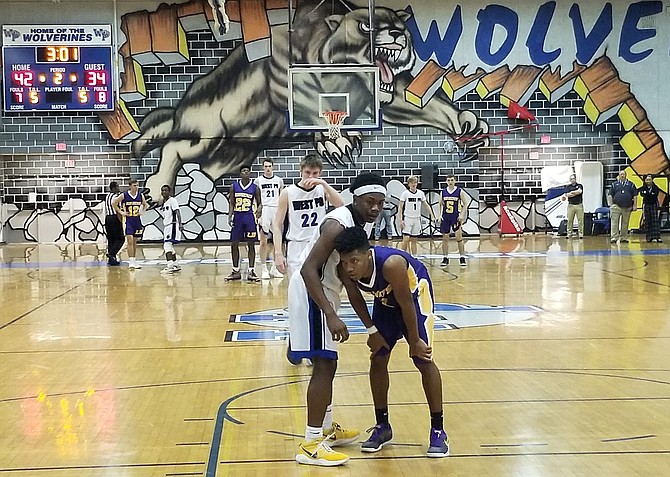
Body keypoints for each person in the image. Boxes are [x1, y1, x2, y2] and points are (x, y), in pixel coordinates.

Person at [290, 172, 386, 467]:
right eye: (370, 202)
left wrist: (370, 327)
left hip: (325, 292)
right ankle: (310, 444)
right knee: (325, 363)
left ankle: (327, 429)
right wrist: (330, 314)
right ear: (356, 198)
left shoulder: (356, 226)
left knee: (329, 363)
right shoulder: (337, 224)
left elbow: (348, 281)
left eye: (380, 203)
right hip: (312, 291)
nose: (375, 208)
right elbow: (309, 269)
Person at [335, 226, 449, 458]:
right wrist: (372, 331)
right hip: (385, 301)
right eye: (345, 262)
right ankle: (383, 426)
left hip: (415, 298)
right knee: (378, 358)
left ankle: (438, 430)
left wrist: (415, 339)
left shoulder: (391, 264)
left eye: (354, 261)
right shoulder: (344, 269)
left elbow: (406, 303)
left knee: (423, 359)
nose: (349, 267)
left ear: (368, 255)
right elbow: (355, 297)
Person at [273, 153, 343, 278]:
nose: (311, 177)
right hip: (296, 244)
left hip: (319, 242)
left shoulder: (322, 189)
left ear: (320, 173)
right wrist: (278, 253)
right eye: (307, 172)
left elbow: (341, 205)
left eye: (315, 173)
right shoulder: (288, 192)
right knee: (297, 285)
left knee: (321, 286)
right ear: (301, 171)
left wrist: (324, 184)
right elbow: (277, 225)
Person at [226, 165, 262, 282]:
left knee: (251, 244)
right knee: (234, 243)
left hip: (249, 217)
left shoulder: (254, 188)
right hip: (238, 217)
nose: (246, 172)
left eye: (247, 171)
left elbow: (260, 202)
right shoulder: (234, 186)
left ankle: (251, 271)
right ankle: (235, 270)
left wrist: (259, 210)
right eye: (243, 171)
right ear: (240, 174)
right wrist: (230, 215)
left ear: (250, 173)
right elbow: (231, 203)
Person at [256, 159, 285, 279]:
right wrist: (257, 213)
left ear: (273, 167)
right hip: (264, 209)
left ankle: (274, 267)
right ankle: (263, 268)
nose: (268, 168)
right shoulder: (258, 181)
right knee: (263, 241)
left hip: (276, 209)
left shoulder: (279, 180)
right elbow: (255, 198)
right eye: (265, 166)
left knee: (277, 241)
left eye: (269, 166)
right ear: (263, 168)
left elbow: (282, 196)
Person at [113, 179, 148, 269]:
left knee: (135, 242)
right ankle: (131, 261)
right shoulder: (124, 195)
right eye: (134, 185)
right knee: (130, 241)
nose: (136, 187)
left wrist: (142, 211)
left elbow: (145, 205)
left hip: (136, 220)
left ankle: (134, 260)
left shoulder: (141, 195)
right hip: (128, 220)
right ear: (130, 186)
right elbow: (114, 203)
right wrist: (121, 212)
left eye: (137, 185)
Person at [398, 175, 437, 255]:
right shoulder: (405, 194)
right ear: (408, 184)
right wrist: (400, 219)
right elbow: (400, 207)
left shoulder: (420, 193)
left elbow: (426, 205)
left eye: (415, 182)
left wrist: (432, 216)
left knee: (414, 239)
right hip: (408, 218)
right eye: (412, 182)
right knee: (406, 238)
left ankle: (414, 257)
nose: (414, 184)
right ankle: (402, 255)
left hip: (417, 218)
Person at [439, 174, 468, 266]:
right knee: (445, 238)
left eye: (452, 180)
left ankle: (462, 257)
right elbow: (440, 204)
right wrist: (439, 215)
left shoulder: (459, 191)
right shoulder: (443, 192)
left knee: (459, 237)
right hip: (445, 216)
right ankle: (445, 257)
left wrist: (462, 215)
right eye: (448, 180)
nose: (450, 182)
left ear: (455, 181)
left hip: (455, 216)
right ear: (446, 182)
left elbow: (465, 203)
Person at [607, 170, 637, 244]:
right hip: (616, 206)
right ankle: (614, 237)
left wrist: (635, 205)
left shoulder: (631, 184)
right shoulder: (614, 184)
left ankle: (623, 237)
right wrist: (611, 205)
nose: (622, 175)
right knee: (614, 222)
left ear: (626, 175)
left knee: (625, 223)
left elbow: (635, 195)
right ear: (619, 176)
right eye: (621, 174)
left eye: (623, 174)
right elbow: (610, 194)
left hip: (627, 207)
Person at [159, 185, 184, 273]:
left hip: (172, 225)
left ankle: (170, 265)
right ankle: (175, 264)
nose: (164, 192)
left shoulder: (172, 200)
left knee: (167, 245)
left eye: (166, 190)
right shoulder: (164, 203)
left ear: (169, 192)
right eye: (162, 190)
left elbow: (177, 211)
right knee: (170, 246)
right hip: (167, 226)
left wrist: (180, 224)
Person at [103, 181, 123, 266]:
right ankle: (112, 253)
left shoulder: (107, 196)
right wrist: (121, 220)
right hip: (115, 217)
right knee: (120, 238)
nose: (119, 188)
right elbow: (118, 209)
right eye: (118, 186)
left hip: (107, 218)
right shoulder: (116, 197)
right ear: (114, 188)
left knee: (111, 239)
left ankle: (112, 259)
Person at [639, 174, 662, 243]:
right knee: (648, 221)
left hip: (653, 205)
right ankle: (649, 237)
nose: (648, 181)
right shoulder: (643, 188)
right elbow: (642, 194)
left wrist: (648, 194)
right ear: (645, 181)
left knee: (655, 221)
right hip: (646, 205)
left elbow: (655, 194)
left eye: (649, 179)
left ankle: (656, 237)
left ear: (652, 180)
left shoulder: (655, 188)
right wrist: (649, 194)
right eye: (647, 180)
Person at [564, 174, 584, 239]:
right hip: (571, 205)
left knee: (580, 220)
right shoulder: (567, 187)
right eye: (571, 179)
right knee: (570, 220)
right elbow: (568, 195)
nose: (573, 180)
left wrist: (572, 192)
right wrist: (575, 193)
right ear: (570, 180)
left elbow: (580, 191)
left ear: (575, 179)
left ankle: (580, 233)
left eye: (574, 178)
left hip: (579, 205)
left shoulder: (580, 185)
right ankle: (569, 233)